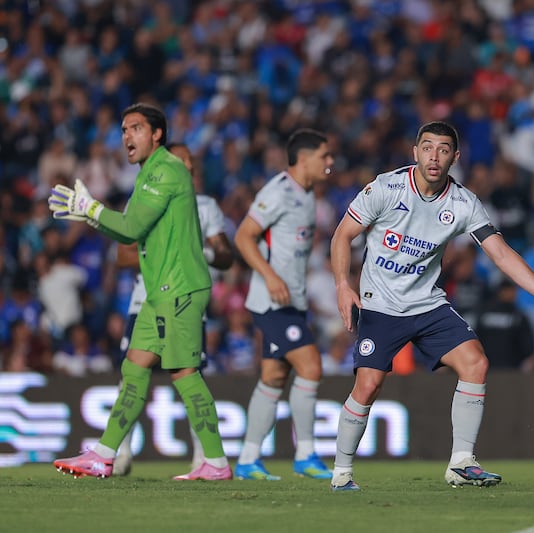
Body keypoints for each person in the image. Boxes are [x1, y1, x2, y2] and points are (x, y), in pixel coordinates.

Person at [328, 121, 534, 491]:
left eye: (443, 149)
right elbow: (342, 235)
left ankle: (462, 462)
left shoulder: (463, 203)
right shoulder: (385, 188)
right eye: (427, 147)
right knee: (368, 385)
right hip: (380, 304)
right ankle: (341, 472)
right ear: (415, 152)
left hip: (427, 304)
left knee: (476, 362)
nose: (434, 156)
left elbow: (500, 252)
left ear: (455, 157)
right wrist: (341, 283)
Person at [48, 102, 231, 480]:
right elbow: (128, 234)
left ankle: (215, 461)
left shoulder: (165, 169)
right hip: (158, 291)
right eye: (123, 130)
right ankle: (104, 454)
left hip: (177, 289)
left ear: (156, 134)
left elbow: (131, 227)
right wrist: (90, 214)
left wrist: (92, 209)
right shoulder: (150, 172)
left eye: (135, 128)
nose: (127, 136)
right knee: (133, 368)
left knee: (184, 373)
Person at [113, 141, 234, 476]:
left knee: (190, 377)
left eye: (191, 160)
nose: (189, 165)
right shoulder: (145, 199)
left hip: (188, 303)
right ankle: (119, 454)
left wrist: (199, 252)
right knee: (132, 380)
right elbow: (123, 255)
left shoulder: (206, 206)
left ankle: (203, 458)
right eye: (182, 159)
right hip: (145, 303)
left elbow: (226, 255)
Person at [233, 129, 335, 481]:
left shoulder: (307, 195)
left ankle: (247, 460)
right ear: (304, 159)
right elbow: (243, 236)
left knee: (274, 377)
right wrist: (270, 276)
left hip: (293, 300)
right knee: (311, 365)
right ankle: (306, 454)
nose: (331, 162)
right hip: (271, 300)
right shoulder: (277, 192)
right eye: (325, 155)